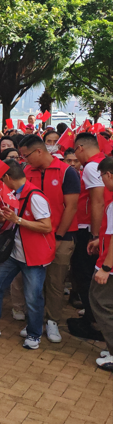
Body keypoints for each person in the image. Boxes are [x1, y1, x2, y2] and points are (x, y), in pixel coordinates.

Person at [0, 159, 55, 349]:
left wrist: (17, 219)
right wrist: (2, 217)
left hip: (34, 256)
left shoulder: (34, 196)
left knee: (33, 297)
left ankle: (34, 334)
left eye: (2, 180)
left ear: (8, 178)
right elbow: (14, 221)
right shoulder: (17, 194)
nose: (1, 184)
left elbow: (46, 226)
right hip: (15, 254)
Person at [19, 133, 80, 343]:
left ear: (38, 151)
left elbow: (71, 207)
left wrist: (60, 235)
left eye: (26, 155)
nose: (25, 160)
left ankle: (52, 320)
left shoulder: (67, 172)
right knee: (34, 281)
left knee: (55, 280)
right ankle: (34, 321)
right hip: (34, 234)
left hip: (61, 236)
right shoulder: (27, 171)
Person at [70, 133, 107, 338]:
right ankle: (93, 315)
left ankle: (92, 321)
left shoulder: (93, 167)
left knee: (84, 274)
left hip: (89, 229)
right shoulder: (101, 163)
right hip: (96, 229)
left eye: (75, 151)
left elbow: (97, 201)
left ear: (81, 147)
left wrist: (95, 234)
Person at [88, 156, 113, 371]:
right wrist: (100, 240)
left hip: (109, 265)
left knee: (101, 304)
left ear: (108, 174)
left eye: (102, 176)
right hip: (107, 256)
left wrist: (106, 268)